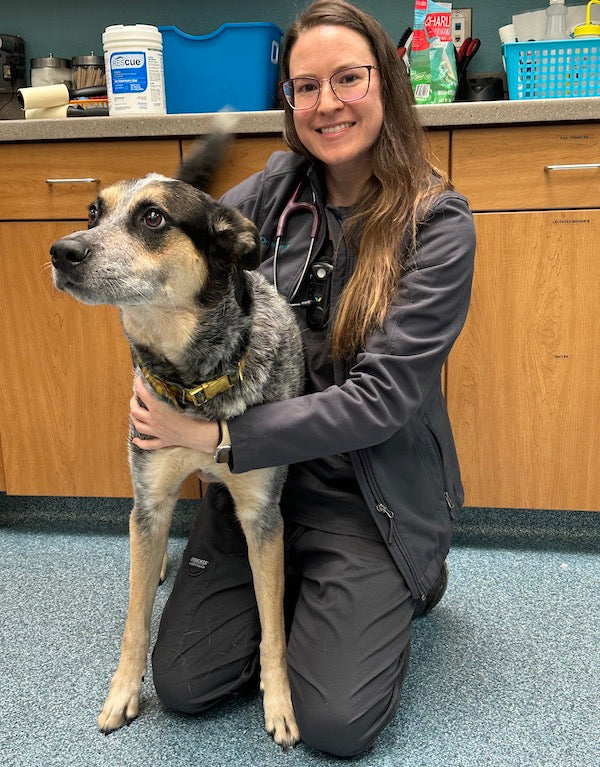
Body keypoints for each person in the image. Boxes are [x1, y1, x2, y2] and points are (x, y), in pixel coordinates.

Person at [129, 0, 476, 757]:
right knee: (184, 682)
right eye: (305, 86)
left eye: (348, 78)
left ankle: (408, 576)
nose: (328, 104)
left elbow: (381, 399)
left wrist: (213, 433)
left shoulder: (438, 222)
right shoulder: (273, 190)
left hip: (366, 492)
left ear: (385, 81)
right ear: (288, 101)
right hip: (257, 479)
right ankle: (296, 589)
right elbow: (183, 267)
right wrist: (156, 376)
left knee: (333, 724)